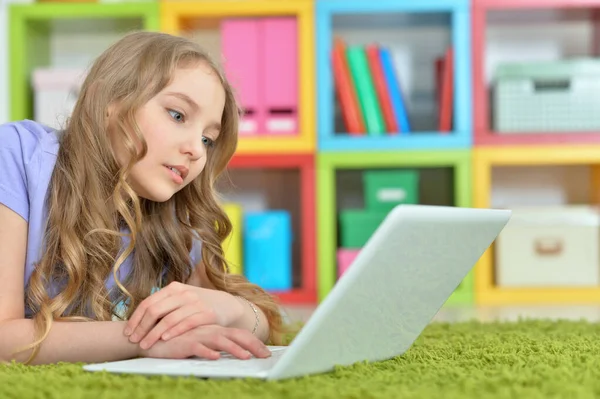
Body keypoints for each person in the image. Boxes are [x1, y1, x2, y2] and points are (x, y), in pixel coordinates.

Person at [0, 31, 288, 366]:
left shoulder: (174, 222)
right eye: (178, 115)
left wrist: (230, 309)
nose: (196, 150)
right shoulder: (18, 156)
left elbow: (263, 323)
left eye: (208, 139)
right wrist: (144, 339)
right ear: (109, 102)